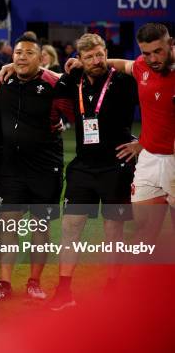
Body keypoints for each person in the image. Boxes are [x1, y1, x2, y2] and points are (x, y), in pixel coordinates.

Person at [66, 23, 174, 253]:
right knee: (143, 228)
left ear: (171, 44)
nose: (153, 58)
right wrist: (82, 63)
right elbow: (120, 64)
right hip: (150, 159)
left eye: (158, 51)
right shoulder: (141, 67)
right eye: (146, 53)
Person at [0, 35, 73, 302]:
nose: (21, 56)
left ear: (41, 59)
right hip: (10, 166)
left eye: (28, 53)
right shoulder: (2, 81)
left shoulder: (53, 83)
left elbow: (78, 107)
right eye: (18, 52)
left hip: (45, 166)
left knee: (40, 227)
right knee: (8, 224)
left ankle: (34, 282)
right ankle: (4, 284)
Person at [49, 33, 138, 311]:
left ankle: (112, 288)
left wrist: (143, 142)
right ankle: (64, 291)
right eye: (89, 57)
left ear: (106, 53)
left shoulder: (124, 80)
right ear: (80, 59)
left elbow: (158, 103)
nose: (96, 61)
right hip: (83, 168)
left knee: (113, 233)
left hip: (116, 166)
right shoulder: (73, 79)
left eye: (100, 55)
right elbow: (45, 83)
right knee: (70, 229)